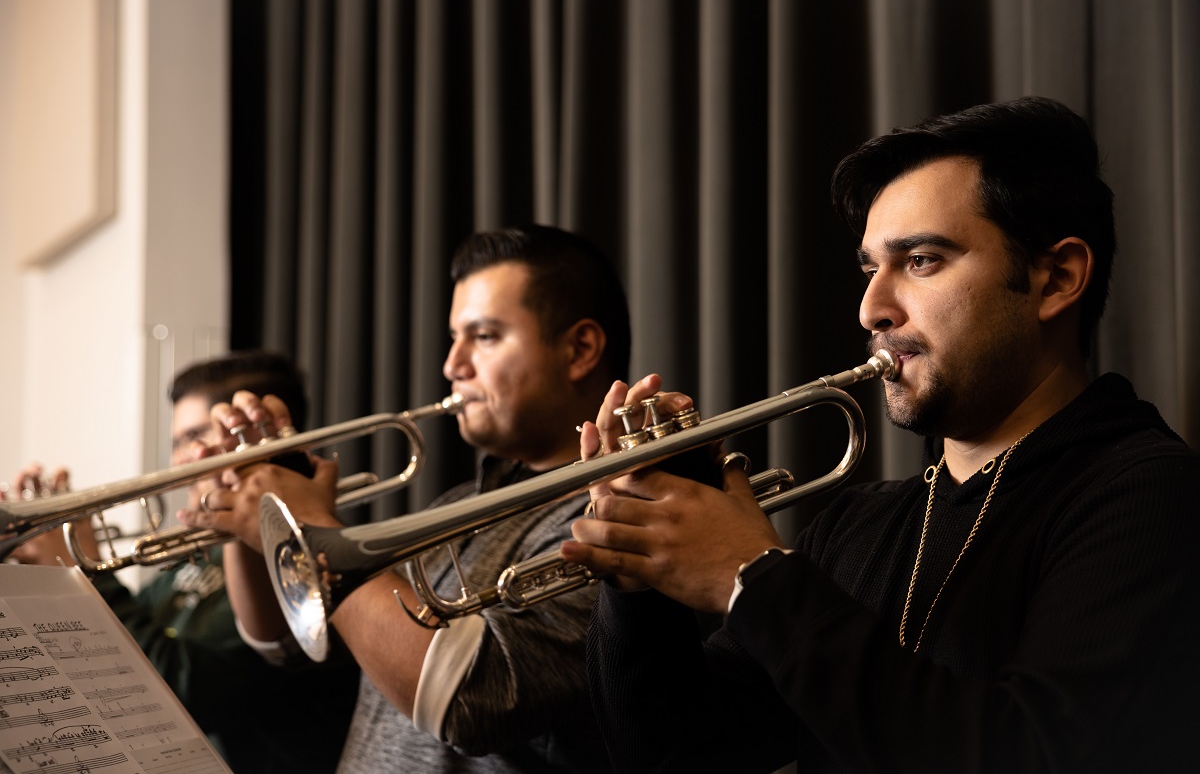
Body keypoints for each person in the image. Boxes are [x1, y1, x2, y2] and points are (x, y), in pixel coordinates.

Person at [561, 97, 1200, 772]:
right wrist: (640, 562)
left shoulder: (1149, 496)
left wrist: (753, 578)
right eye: (871, 268)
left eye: (921, 260)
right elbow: (677, 756)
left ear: (1057, 278)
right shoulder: (858, 524)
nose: (871, 308)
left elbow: (1032, 752)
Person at [180, 225, 629, 772]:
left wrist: (314, 526)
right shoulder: (455, 505)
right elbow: (290, 644)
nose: (452, 365)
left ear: (580, 348)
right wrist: (252, 508)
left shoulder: (615, 515)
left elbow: (475, 699)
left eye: (484, 336)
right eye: (454, 337)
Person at [4, 350, 362, 773]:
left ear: (252, 438)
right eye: (177, 441)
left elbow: (180, 698)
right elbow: (101, 672)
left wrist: (81, 573)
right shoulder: (185, 562)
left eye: (195, 437)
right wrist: (39, 582)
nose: (178, 461)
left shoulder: (296, 564)